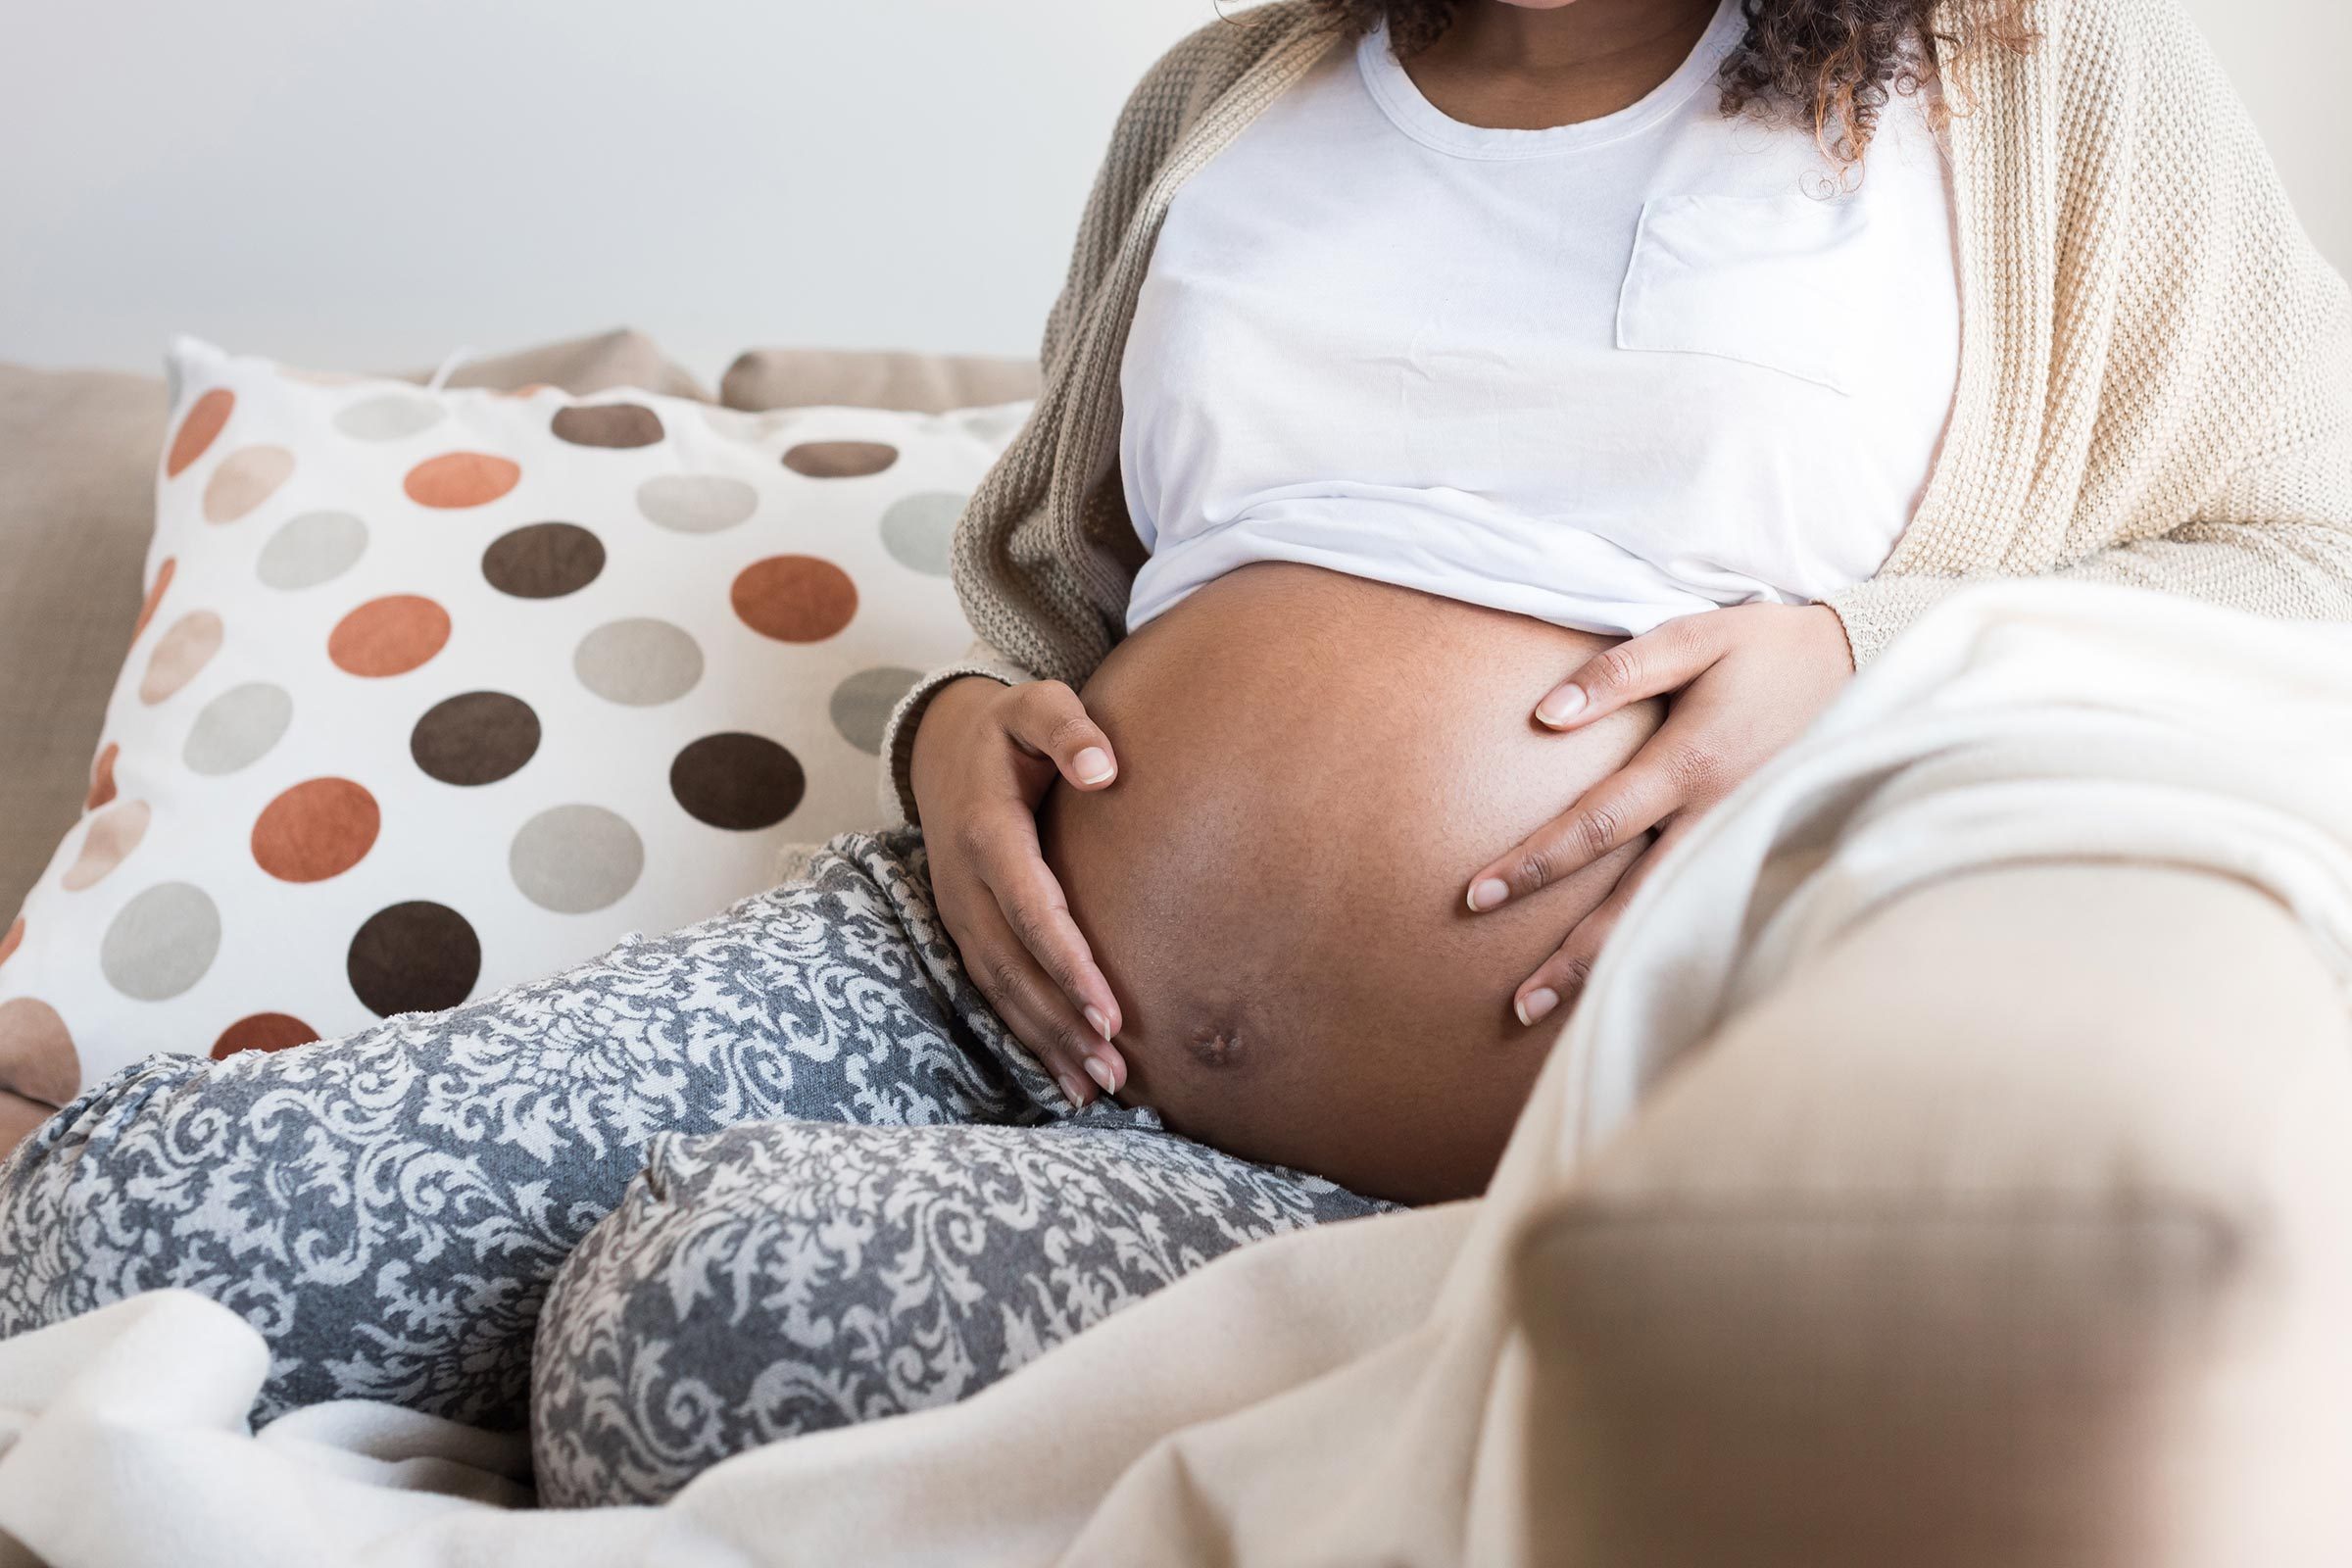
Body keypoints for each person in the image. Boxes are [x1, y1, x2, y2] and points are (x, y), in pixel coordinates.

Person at [0, 0, 2344, 1511]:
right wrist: (949, 731)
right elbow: (1063, 582)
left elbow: (2307, 549)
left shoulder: (2026, 87)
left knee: (708, 1316)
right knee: (119, 1216)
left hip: (1458, 1161)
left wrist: (1861, 644)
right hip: (958, 971)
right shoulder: (1235, 91)